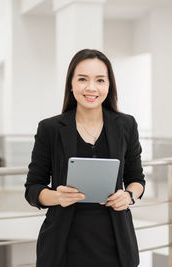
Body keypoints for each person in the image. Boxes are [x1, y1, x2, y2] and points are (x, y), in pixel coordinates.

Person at [24, 49, 145, 267]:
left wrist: (128, 196)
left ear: (109, 85)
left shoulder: (126, 125)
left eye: (100, 80)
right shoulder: (50, 128)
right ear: (71, 84)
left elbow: (137, 179)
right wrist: (57, 197)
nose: (91, 87)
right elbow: (33, 189)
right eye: (82, 79)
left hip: (115, 244)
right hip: (63, 245)